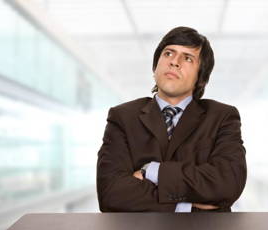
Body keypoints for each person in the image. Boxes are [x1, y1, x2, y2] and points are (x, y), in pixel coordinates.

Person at [96, 26, 246, 212]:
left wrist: (152, 171)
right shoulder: (123, 117)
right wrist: (187, 204)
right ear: (155, 66)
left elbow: (227, 183)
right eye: (168, 53)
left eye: (188, 58)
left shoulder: (222, 117)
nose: (174, 62)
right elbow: (111, 193)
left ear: (201, 78)